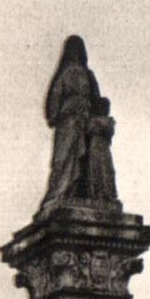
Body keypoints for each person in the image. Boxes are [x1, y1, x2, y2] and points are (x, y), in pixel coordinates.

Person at [42, 35, 112, 207]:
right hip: (68, 124)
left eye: (78, 49)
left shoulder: (88, 75)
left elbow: (97, 101)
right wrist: (60, 113)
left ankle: (85, 192)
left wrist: (98, 116)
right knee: (65, 159)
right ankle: (61, 192)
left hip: (86, 123)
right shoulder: (64, 75)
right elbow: (53, 103)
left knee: (86, 159)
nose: (76, 53)